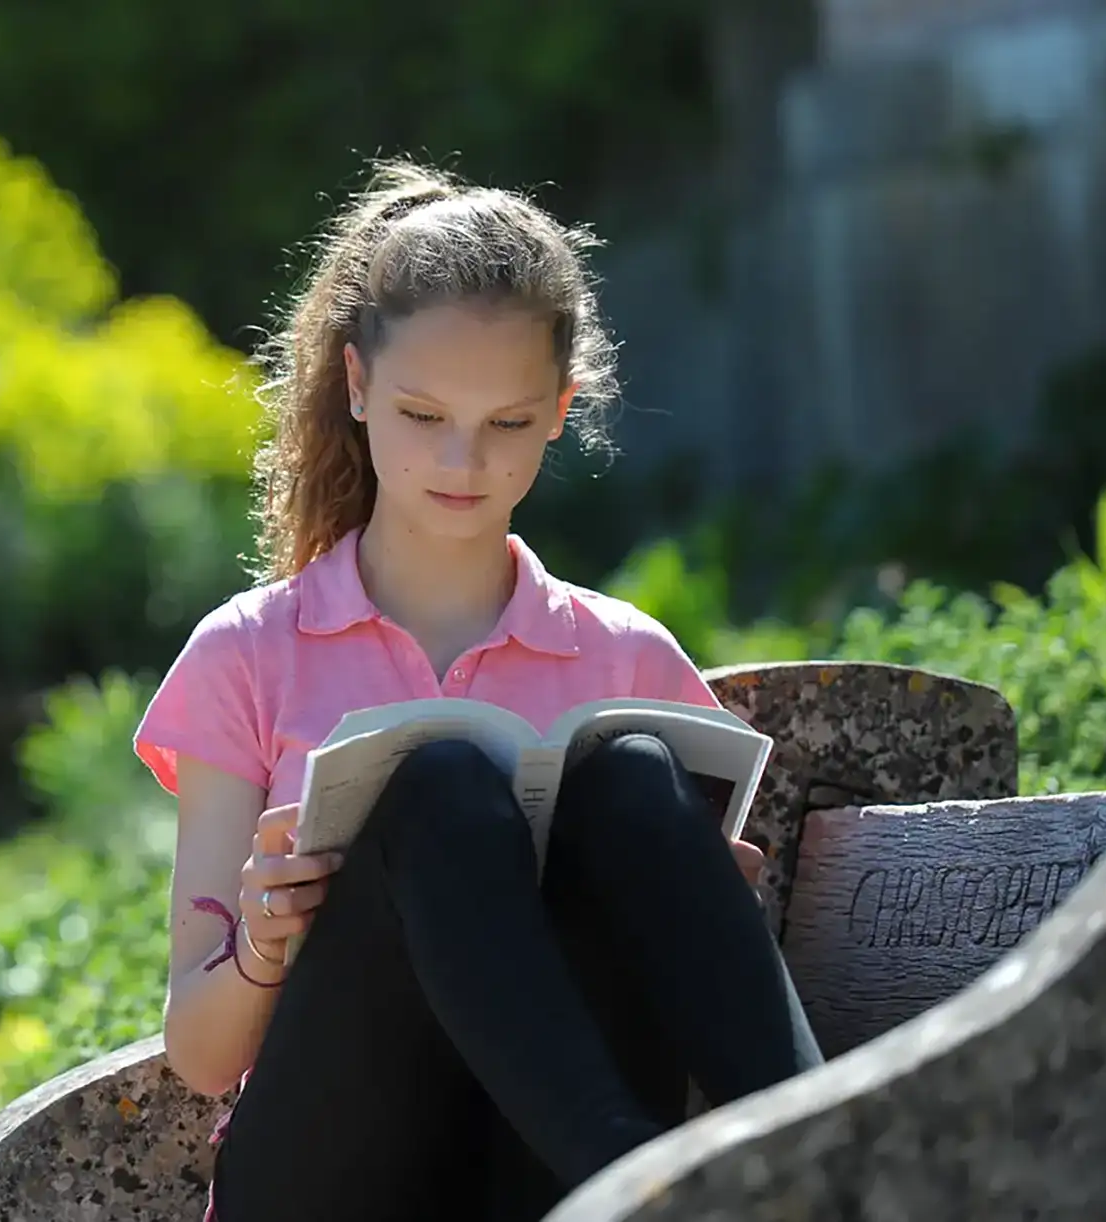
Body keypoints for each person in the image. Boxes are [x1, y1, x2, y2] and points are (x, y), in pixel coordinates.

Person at [134, 159, 823, 1222]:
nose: (462, 460)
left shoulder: (629, 656)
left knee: (633, 780)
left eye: (507, 423)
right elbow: (201, 1052)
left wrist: (688, 881)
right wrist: (265, 940)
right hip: (333, 1178)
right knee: (439, 786)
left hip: (533, 1177)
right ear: (357, 385)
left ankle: (834, 1172)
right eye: (421, 414)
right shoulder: (247, 654)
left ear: (560, 410)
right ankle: (650, 1194)